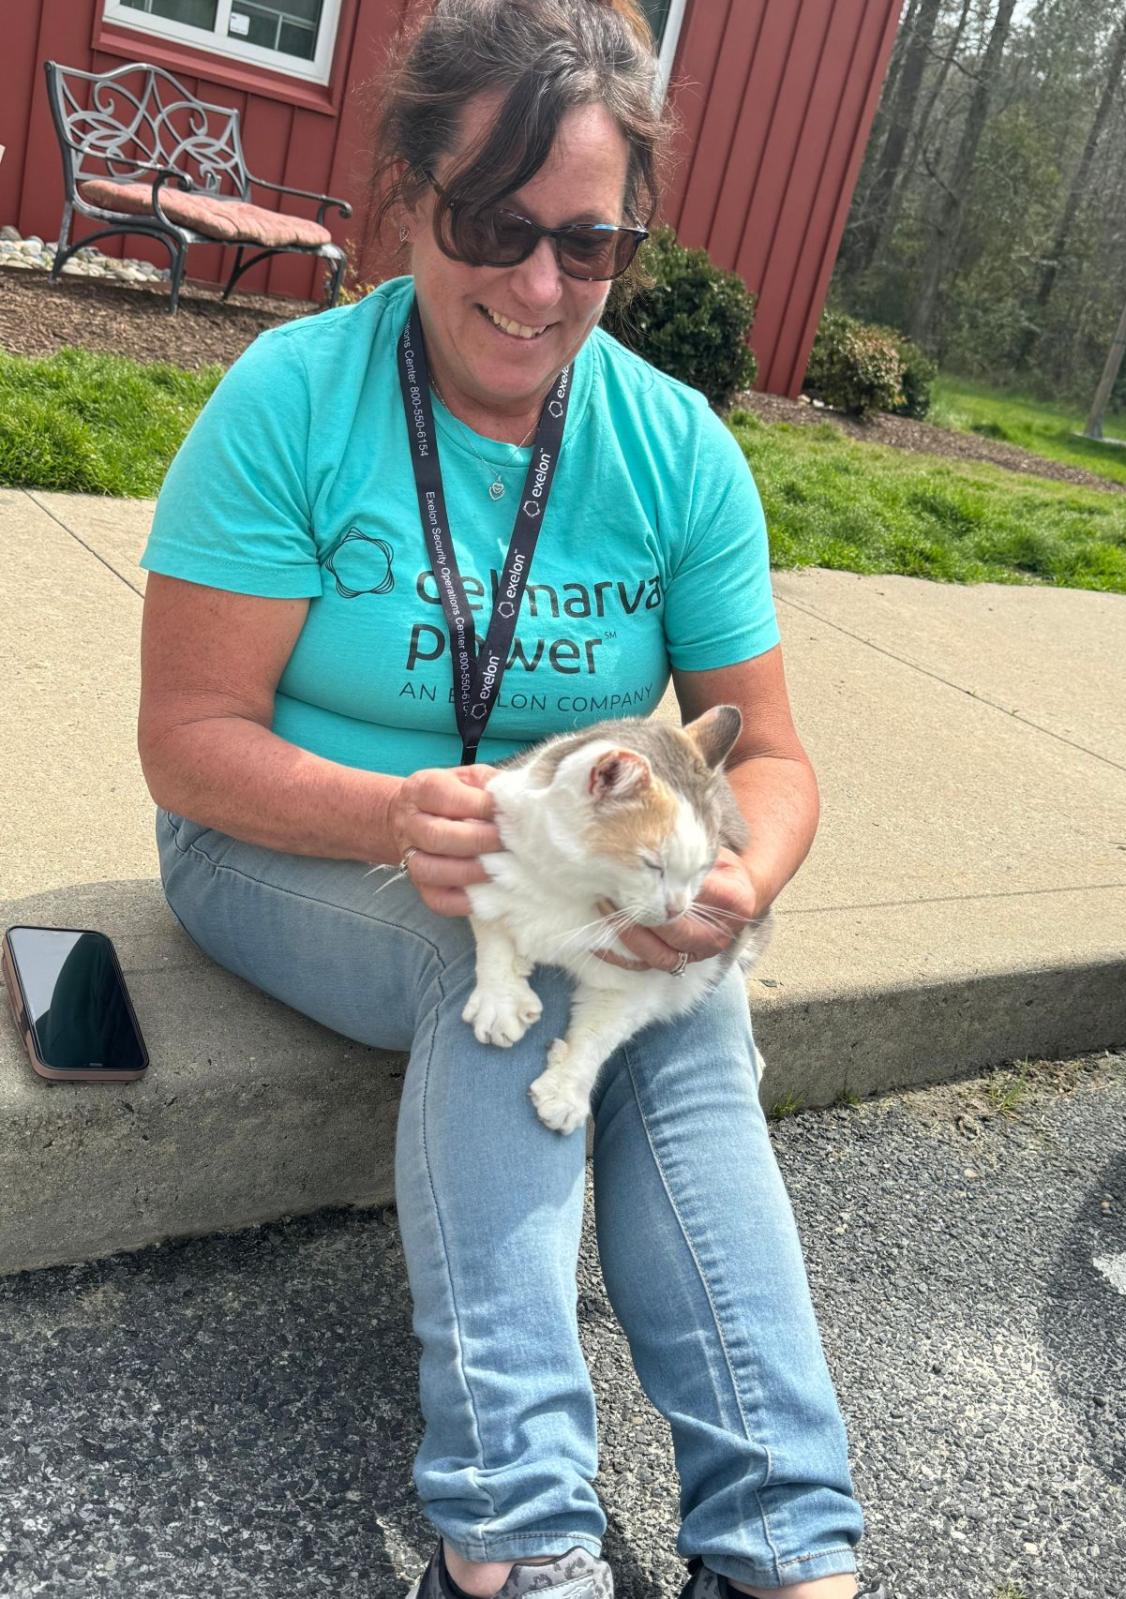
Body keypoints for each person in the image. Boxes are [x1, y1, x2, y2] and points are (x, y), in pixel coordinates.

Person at [136, 3, 886, 1597]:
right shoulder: (291, 399)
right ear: (409, 193)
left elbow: (771, 760)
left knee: (689, 999)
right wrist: (386, 818)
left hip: (571, 853)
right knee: (482, 947)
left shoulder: (674, 447)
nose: (540, 289)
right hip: (291, 833)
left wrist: (736, 897)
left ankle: (783, 1542)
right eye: (493, 226)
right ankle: (518, 1528)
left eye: (589, 246)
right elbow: (188, 740)